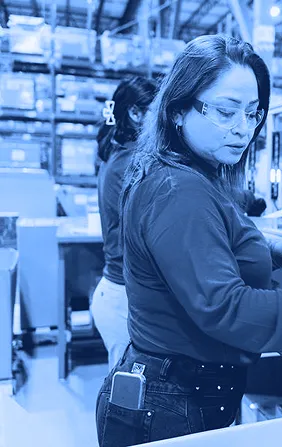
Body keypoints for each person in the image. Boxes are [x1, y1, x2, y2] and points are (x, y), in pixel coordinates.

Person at [95, 34, 282, 446]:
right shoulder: (178, 190)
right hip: (171, 407)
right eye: (225, 112)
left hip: (168, 395)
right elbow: (227, 309)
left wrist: (267, 249)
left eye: (253, 113)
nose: (242, 129)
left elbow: (200, 248)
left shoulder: (184, 173)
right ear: (179, 110)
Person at [91, 77, 157, 371]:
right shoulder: (131, 162)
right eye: (158, 111)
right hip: (122, 300)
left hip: (118, 295)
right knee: (128, 400)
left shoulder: (119, 156)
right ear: (135, 113)